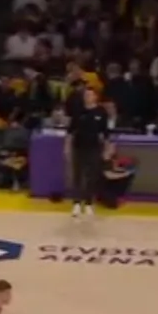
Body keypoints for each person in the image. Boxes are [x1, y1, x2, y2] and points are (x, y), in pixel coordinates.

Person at [66, 87, 109, 217]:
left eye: (90, 95)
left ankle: (89, 203)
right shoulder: (78, 110)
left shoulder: (101, 112)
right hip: (79, 146)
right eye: (86, 95)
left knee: (92, 176)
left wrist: (107, 149)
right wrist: (66, 147)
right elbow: (70, 131)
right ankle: (76, 203)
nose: (87, 97)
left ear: (96, 97)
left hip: (94, 147)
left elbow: (105, 133)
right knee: (78, 175)